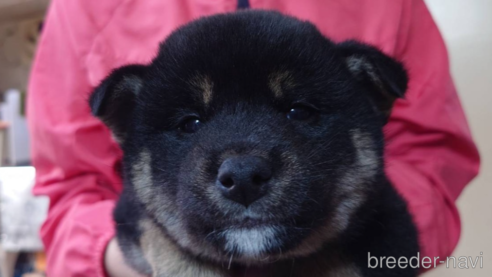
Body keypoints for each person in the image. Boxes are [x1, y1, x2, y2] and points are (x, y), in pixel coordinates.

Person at [27, 0, 480, 276]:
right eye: (190, 124)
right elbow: (67, 190)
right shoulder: (85, 7)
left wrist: (363, 255)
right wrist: (145, 256)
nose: (241, 170)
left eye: (299, 110)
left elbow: (432, 157)